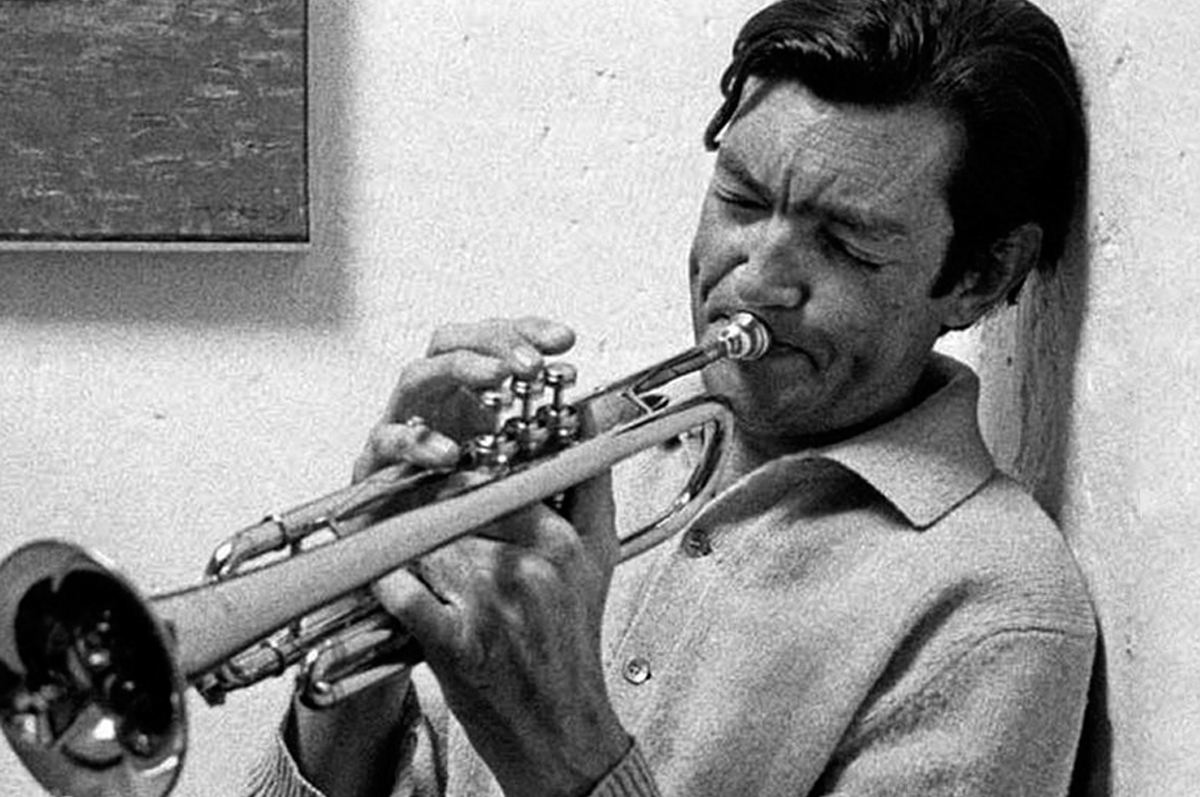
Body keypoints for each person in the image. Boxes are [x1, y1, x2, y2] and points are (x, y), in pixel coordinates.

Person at [247, 0, 1095, 794]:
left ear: (982, 276)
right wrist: (366, 613)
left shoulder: (998, 609)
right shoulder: (594, 445)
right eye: (740, 198)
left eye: (845, 245)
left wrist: (561, 747)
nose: (756, 280)